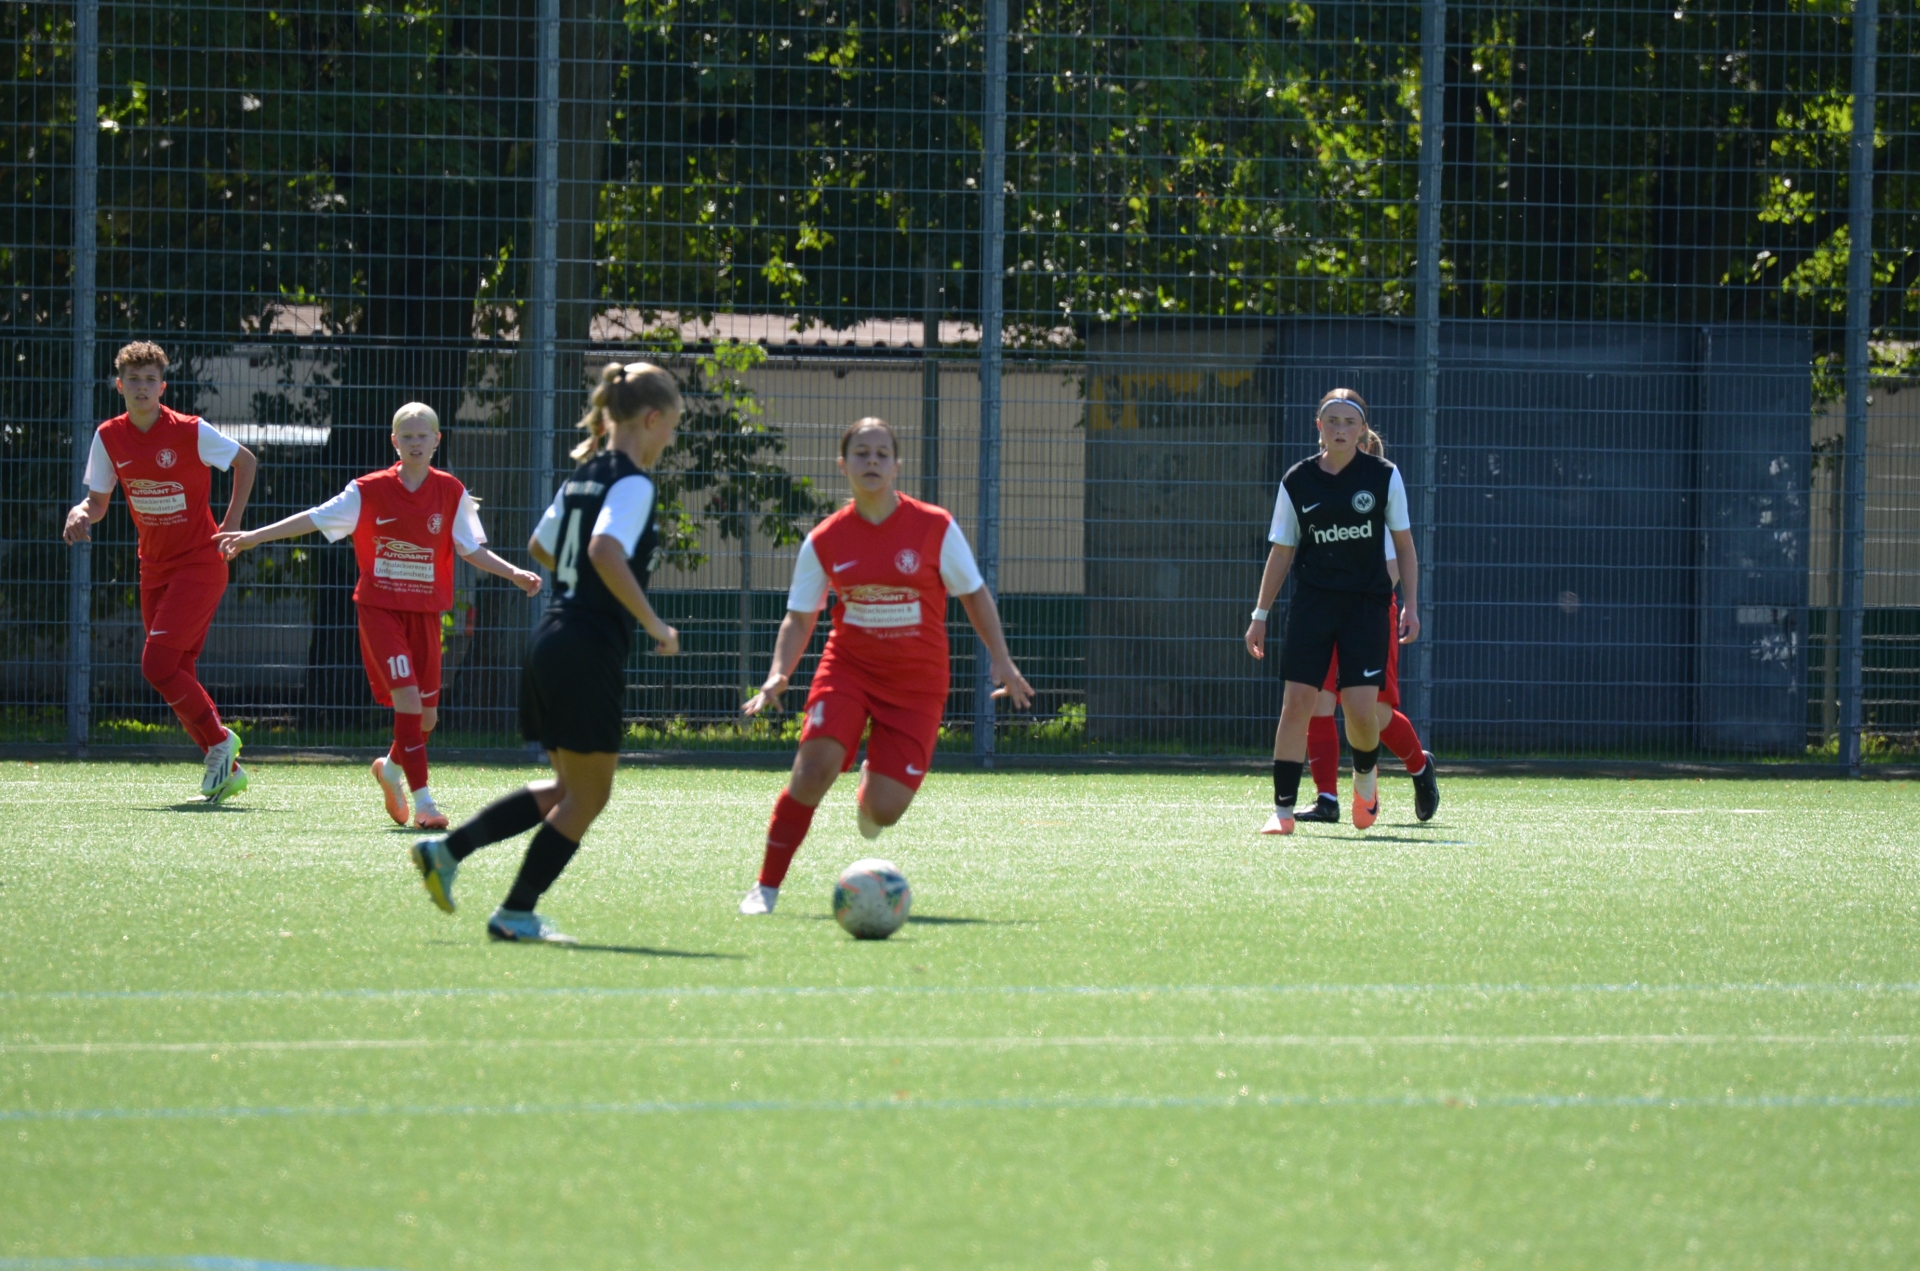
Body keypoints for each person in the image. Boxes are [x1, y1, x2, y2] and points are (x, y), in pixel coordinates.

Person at [406, 362, 682, 943]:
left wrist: (580, 587)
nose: (670, 439)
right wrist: (653, 622)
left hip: (552, 635)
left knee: (566, 790)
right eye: (672, 426)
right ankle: (515, 912)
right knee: (590, 794)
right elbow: (605, 548)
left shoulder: (582, 476)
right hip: (586, 646)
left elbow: (540, 545)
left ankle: (447, 853)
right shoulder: (632, 482)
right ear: (652, 418)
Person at [736, 417, 1033, 915]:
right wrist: (778, 673)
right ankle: (765, 888)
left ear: (897, 466)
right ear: (843, 464)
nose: (871, 461)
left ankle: (874, 781)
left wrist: (1001, 660)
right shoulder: (826, 539)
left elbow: (975, 594)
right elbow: (799, 616)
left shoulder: (934, 526)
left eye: (881, 453)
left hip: (917, 685)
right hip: (848, 670)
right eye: (860, 453)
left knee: (883, 812)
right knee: (812, 771)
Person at [217, 402, 542, 829]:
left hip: (426, 614)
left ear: (436, 440)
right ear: (395, 442)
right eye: (406, 436)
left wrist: (513, 572)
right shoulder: (367, 490)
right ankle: (424, 803)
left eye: (422, 435)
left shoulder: (451, 492)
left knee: (426, 718)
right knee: (407, 701)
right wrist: (254, 537)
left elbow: (470, 548)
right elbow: (314, 518)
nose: (414, 442)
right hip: (380, 611)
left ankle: (390, 769)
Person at [64, 341, 258, 803]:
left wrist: (230, 527)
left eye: (151, 379)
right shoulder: (109, 437)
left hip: (200, 563)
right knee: (177, 667)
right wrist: (80, 512)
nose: (142, 387)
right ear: (119, 386)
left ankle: (217, 741)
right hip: (153, 568)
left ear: (162, 386)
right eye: (133, 379)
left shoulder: (190, 431)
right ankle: (223, 768)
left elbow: (245, 462)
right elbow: (98, 501)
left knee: (156, 664)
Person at [1245, 388, 1420, 833]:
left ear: (1362, 430)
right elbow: (1282, 551)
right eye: (1332, 420)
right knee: (1298, 703)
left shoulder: (1384, 476)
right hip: (1314, 604)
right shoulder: (1297, 480)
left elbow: (1404, 546)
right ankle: (1283, 811)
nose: (1340, 429)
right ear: (1318, 427)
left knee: (1362, 711)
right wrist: (1259, 615)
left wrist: (1412, 607)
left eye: (1349, 421)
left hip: (1366, 605)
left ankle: (1364, 779)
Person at [1299, 428, 1439, 824]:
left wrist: (1361, 599)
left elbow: (1394, 563)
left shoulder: (1379, 490)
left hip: (1368, 611)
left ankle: (1419, 766)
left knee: (1373, 715)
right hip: (1323, 609)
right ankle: (1327, 798)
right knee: (1317, 701)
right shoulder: (1313, 488)